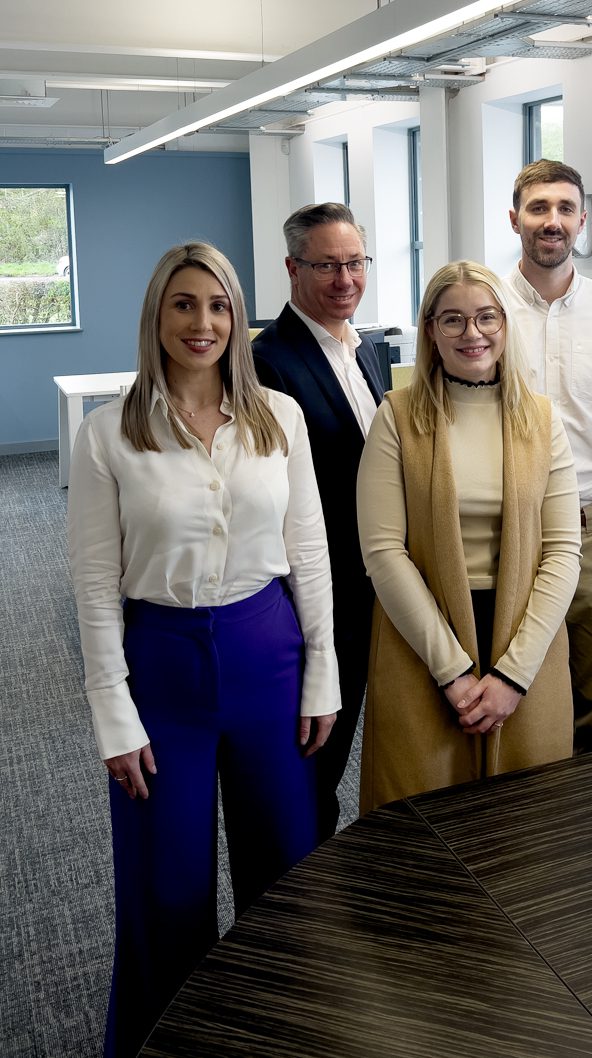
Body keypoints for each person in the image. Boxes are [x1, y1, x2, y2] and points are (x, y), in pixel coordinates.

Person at [67, 242, 340, 1058]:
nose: (204, 323)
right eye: (184, 304)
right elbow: (91, 583)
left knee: (284, 866)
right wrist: (112, 713)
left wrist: (321, 673)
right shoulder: (106, 434)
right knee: (168, 884)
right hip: (161, 663)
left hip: (267, 649)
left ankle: (278, 1029)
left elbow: (311, 551)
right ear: (156, 314)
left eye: (219, 305)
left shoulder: (278, 419)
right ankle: (163, 1042)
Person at [356, 260, 580, 813]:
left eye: (486, 317)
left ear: (505, 324)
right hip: (424, 637)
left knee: (527, 826)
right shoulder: (397, 417)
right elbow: (384, 553)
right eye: (452, 319)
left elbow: (562, 554)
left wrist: (514, 675)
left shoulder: (542, 419)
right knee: (425, 818)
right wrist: (453, 671)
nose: (471, 334)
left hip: (523, 636)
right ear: (430, 329)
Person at [503, 159, 592, 753]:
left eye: (565, 209)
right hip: (508, 529)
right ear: (515, 220)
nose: (552, 221)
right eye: (539, 208)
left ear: (582, 219)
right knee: (515, 687)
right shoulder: (485, 306)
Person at [253, 202, 386, 840]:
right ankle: (299, 892)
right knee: (310, 753)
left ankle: (320, 871)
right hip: (311, 596)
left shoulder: (363, 349)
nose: (345, 280)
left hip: (365, 587)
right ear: (291, 268)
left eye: (355, 263)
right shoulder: (266, 363)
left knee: (335, 747)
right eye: (327, 265)